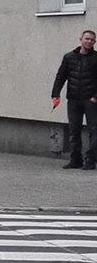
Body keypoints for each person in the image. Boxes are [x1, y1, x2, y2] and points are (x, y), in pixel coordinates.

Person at [52, 29, 97, 169]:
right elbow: (61, 76)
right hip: (73, 99)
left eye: (92, 40)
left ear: (94, 42)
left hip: (91, 100)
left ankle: (90, 161)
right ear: (81, 39)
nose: (89, 41)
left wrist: (95, 97)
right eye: (87, 39)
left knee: (94, 130)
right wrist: (55, 93)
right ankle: (75, 160)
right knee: (74, 130)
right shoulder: (69, 57)